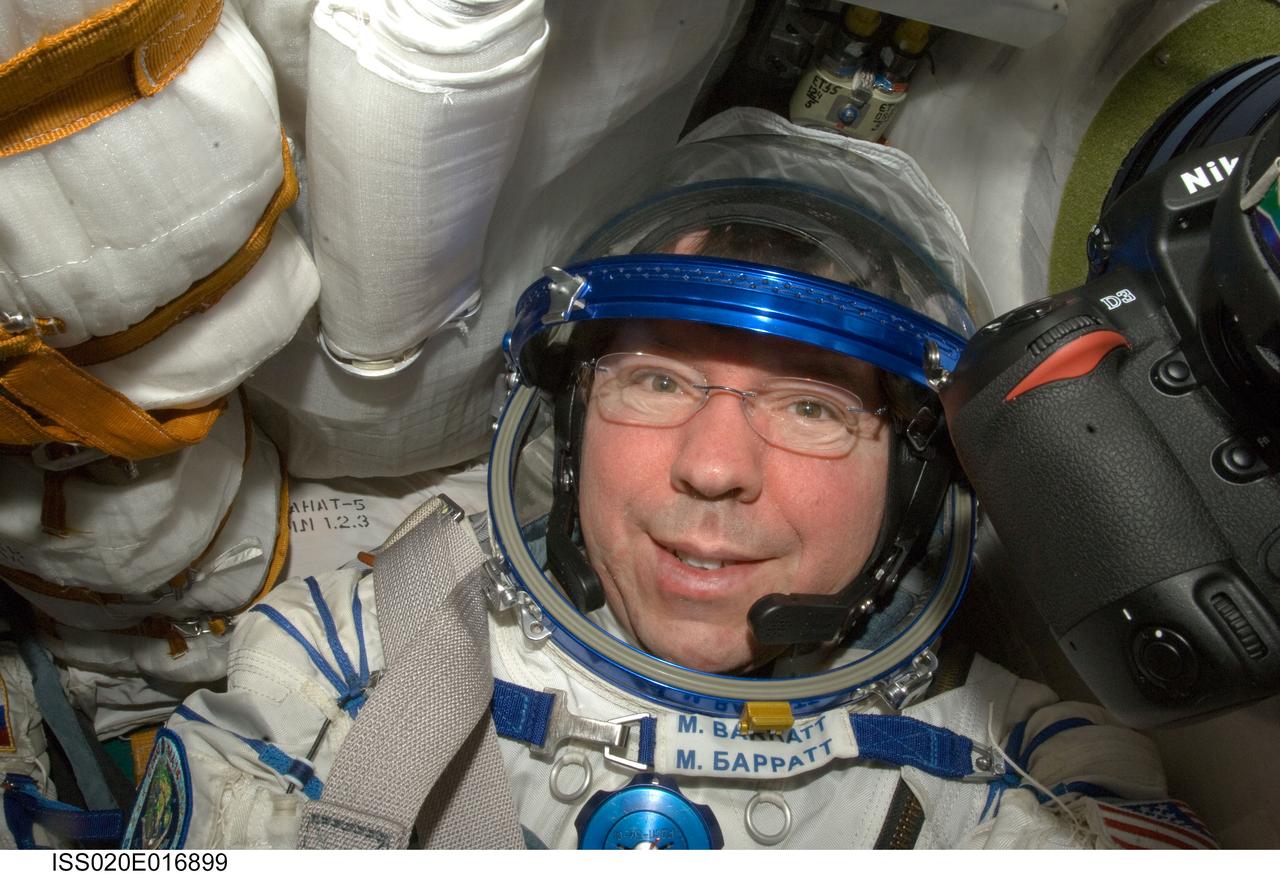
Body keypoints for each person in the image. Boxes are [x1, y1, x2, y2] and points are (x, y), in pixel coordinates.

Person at [120, 110, 1215, 850]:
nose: (712, 463)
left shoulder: (1031, 759)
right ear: (571, 415)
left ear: (914, 475)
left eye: (811, 406)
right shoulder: (355, 646)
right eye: (653, 379)